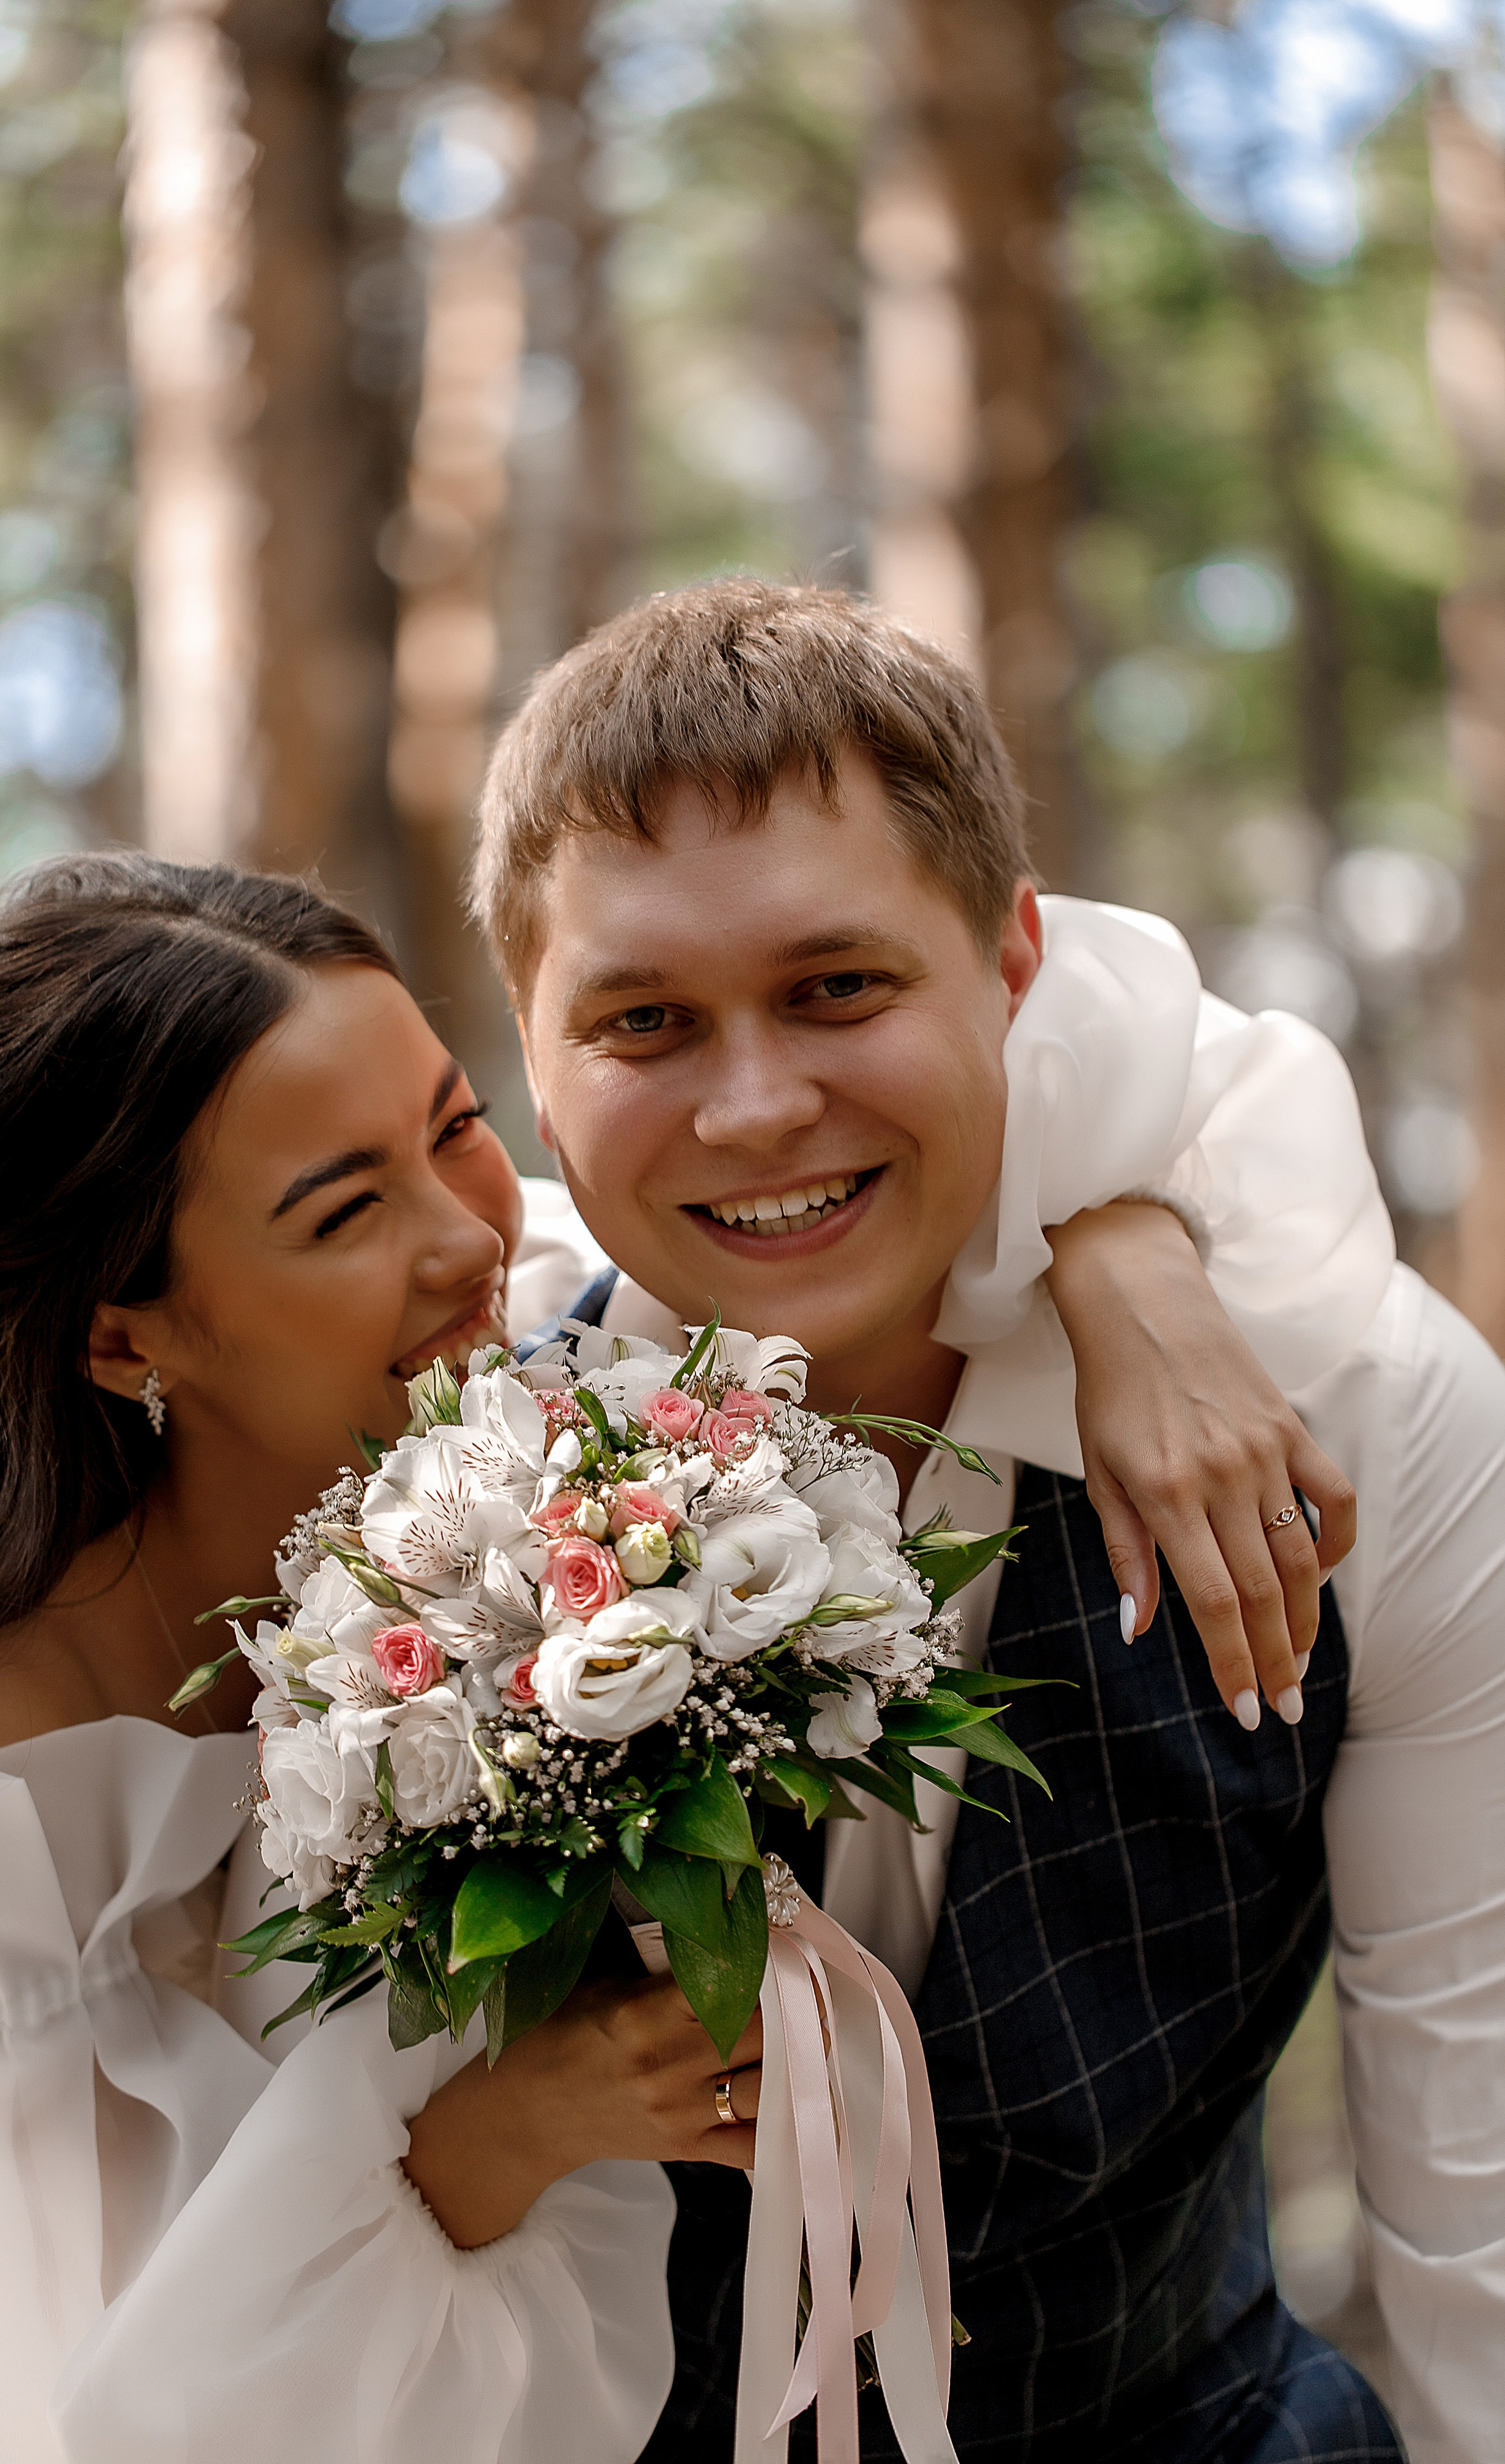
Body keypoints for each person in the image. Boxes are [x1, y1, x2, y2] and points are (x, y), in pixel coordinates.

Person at [0, 851, 1380, 2463]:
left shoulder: (511, 1373)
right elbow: (132, 2416)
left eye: (455, 1125)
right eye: (345, 1208)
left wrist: (1123, 1259)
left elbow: (1137, 1021)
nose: (466, 1236)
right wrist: (502, 2133)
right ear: (122, 1335)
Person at [472, 579, 1505, 2463]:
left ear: (1017, 963)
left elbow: (1479, 2191)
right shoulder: (433, 1476)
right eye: (643, 1021)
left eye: (837, 987)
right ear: (533, 1069)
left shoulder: (1363, 1412)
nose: (755, 1106)